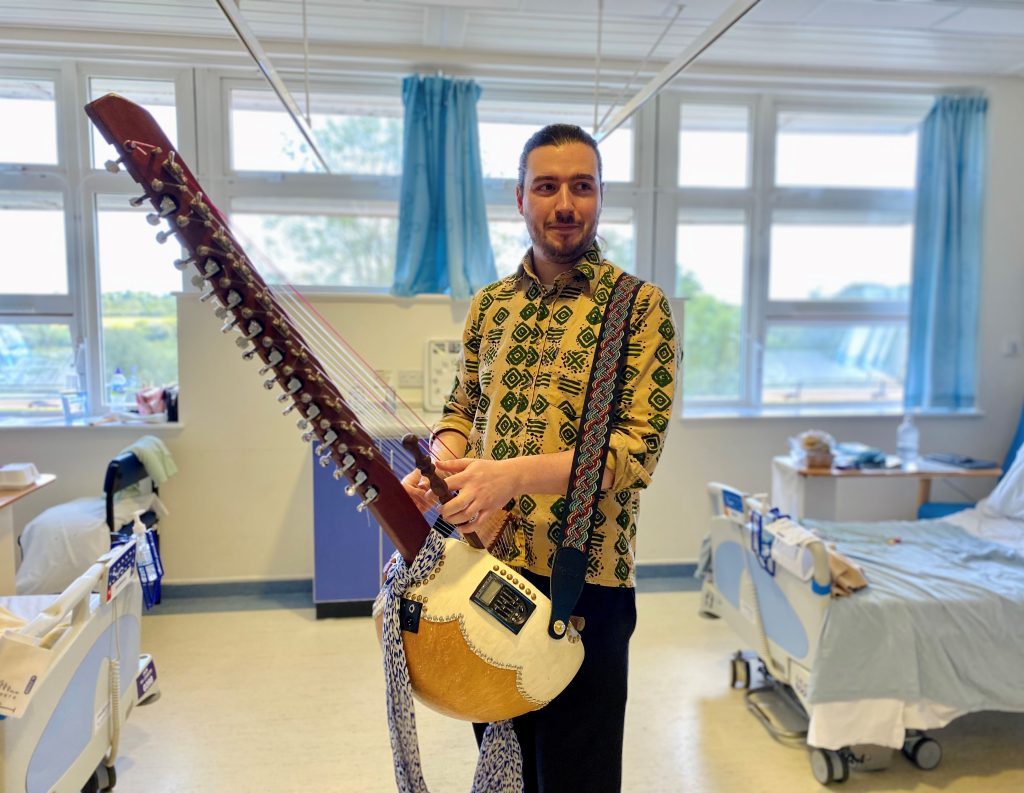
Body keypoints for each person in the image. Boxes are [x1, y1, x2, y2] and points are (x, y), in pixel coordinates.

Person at [405, 123, 680, 792]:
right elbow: (463, 409)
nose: (565, 203)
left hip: (588, 584)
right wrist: (442, 465)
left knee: (577, 776)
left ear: (600, 197)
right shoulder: (489, 307)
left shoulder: (637, 309)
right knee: (507, 765)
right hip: (490, 568)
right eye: (547, 186)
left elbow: (634, 451)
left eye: (581, 186)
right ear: (519, 197)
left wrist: (509, 477)